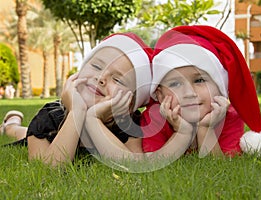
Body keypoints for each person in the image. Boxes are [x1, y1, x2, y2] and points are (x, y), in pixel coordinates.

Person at [0, 33, 153, 166]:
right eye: (97, 67)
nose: (101, 78)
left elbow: (132, 164)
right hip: (54, 133)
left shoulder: (130, 123)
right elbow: (47, 169)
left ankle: (12, 123)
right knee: (22, 134)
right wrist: (77, 112)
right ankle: (11, 125)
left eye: (118, 80)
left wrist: (94, 119)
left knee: (25, 133)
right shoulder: (50, 115)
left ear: (132, 103)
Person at [141, 25, 261, 157]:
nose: (189, 93)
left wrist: (206, 129)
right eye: (175, 83)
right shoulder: (155, 118)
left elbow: (221, 169)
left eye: (199, 81)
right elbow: (154, 162)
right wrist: (182, 132)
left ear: (220, 87)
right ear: (159, 95)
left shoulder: (229, 118)